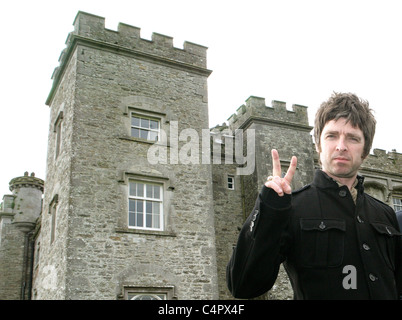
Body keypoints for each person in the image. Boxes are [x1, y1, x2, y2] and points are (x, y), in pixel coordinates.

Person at [226, 92, 402, 300]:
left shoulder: (386, 214)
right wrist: (269, 207)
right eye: (332, 136)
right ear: (318, 145)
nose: (341, 146)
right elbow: (243, 285)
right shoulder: (292, 208)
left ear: (365, 151)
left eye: (353, 138)